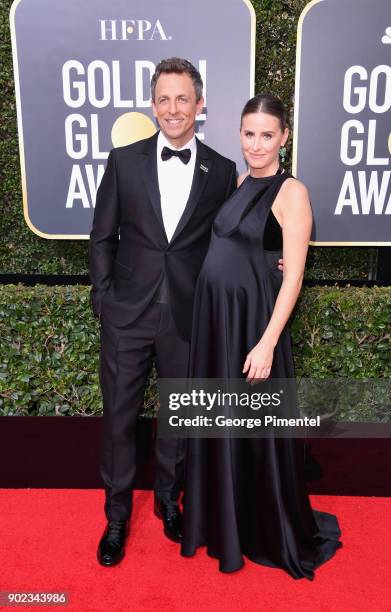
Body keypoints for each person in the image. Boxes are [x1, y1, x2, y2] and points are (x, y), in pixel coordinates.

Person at [181, 94, 342, 579]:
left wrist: (267, 341)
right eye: (249, 133)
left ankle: (256, 526)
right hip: (217, 323)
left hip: (251, 327)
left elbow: (292, 275)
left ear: (283, 138)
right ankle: (222, 519)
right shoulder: (236, 181)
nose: (256, 144)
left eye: (266, 135)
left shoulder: (293, 193)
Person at [89, 57, 238, 566]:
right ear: (153, 105)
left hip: (189, 316)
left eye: (183, 99)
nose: (173, 109)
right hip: (127, 313)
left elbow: (229, 241)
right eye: (164, 99)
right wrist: (104, 300)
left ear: (199, 106)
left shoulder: (221, 170)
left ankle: (168, 503)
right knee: (119, 420)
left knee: (179, 416)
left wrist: (274, 255)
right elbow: (102, 236)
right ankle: (115, 518)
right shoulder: (124, 160)